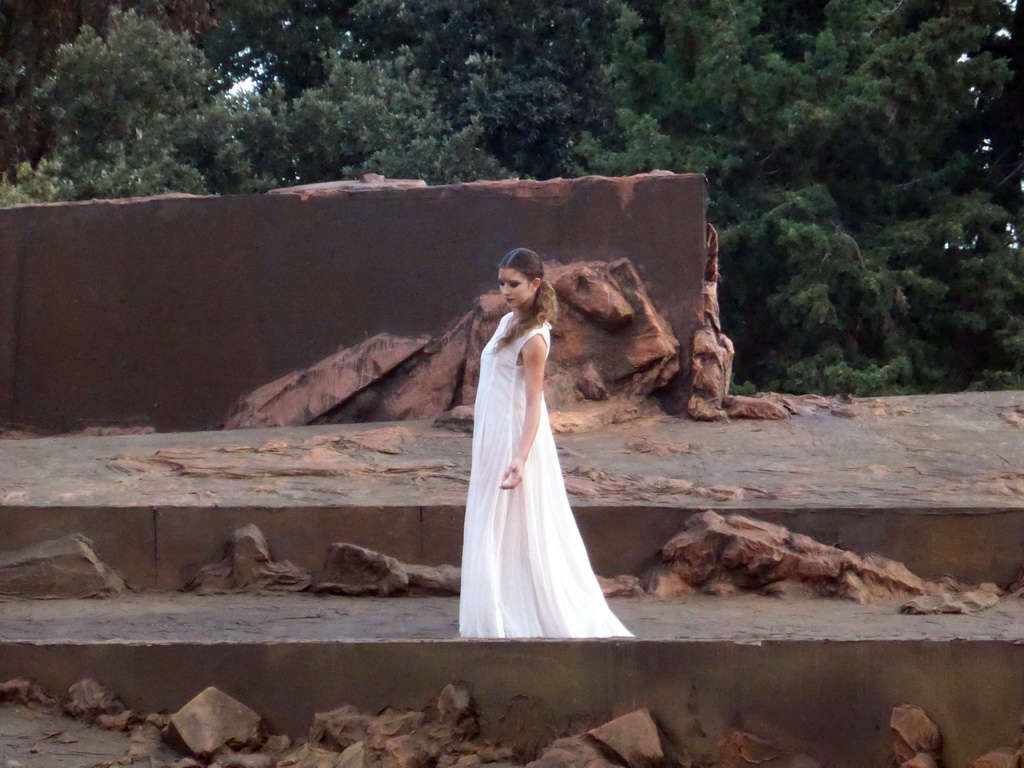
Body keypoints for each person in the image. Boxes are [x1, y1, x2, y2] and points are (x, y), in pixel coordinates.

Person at [458, 247, 634, 639]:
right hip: (491, 434)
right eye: (502, 283)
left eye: (514, 284)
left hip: (513, 437)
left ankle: (516, 613)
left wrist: (521, 456)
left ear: (535, 284)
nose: (505, 290)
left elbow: (535, 402)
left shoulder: (535, 338)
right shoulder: (508, 321)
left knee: (513, 522)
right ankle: (498, 606)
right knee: (495, 523)